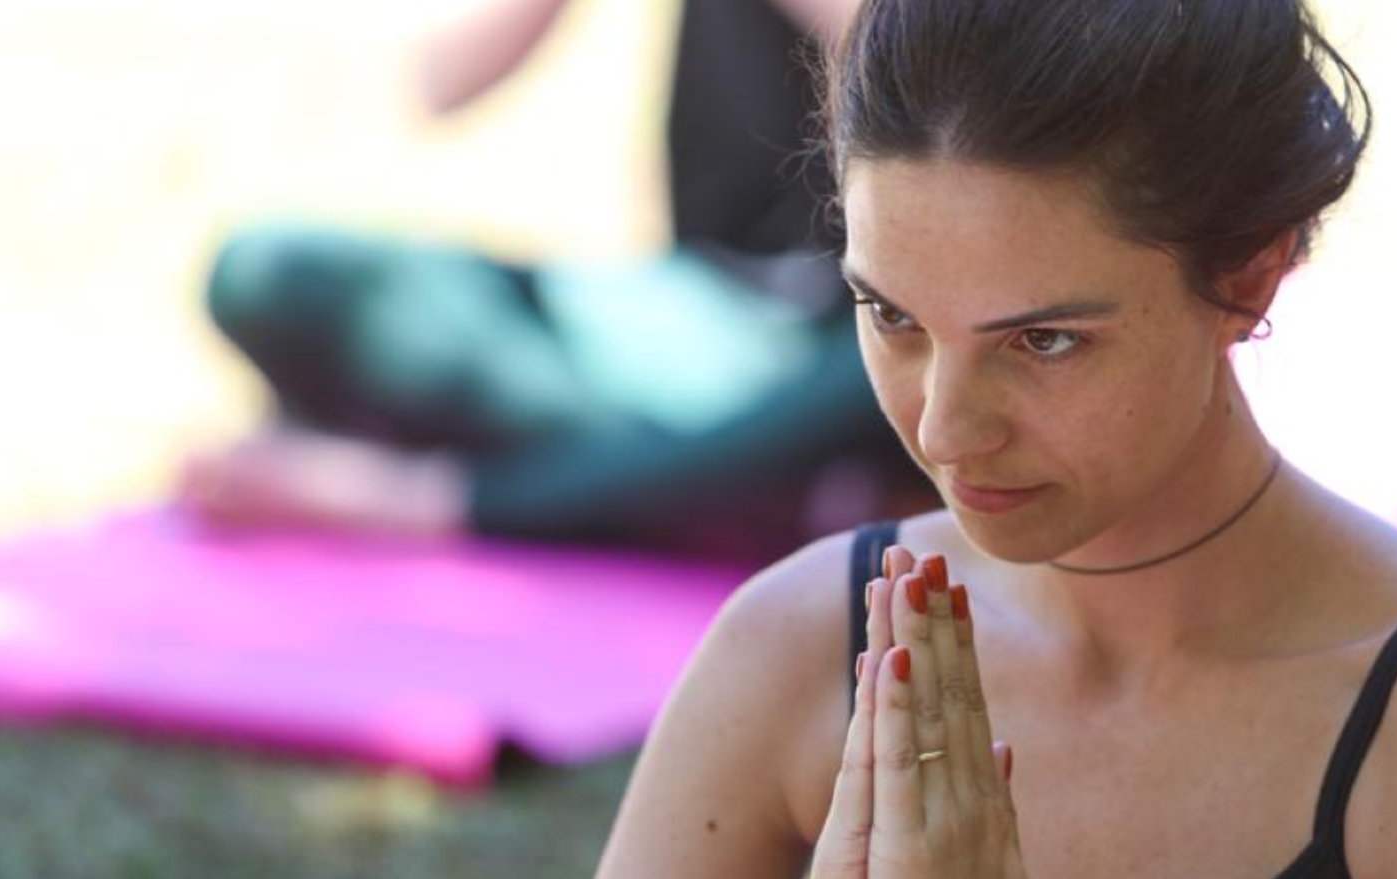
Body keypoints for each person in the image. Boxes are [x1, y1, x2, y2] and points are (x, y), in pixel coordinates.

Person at [594, 0, 1397, 876]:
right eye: (891, 315)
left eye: (1043, 340)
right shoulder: (794, 651)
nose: (945, 428)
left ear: (1247, 275)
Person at [181, 0, 923, 557]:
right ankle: (729, 485)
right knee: (268, 276)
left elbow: (932, 89)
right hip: (695, 319)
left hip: (879, 333)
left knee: (890, 377)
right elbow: (441, 82)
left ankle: (420, 495)